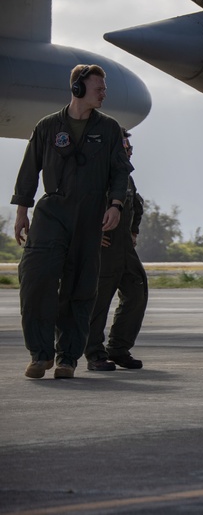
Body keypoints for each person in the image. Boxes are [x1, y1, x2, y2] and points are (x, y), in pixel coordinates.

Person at [12, 64, 132, 379]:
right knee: (36, 281)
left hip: (90, 215)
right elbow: (29, 169)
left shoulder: (109, 129)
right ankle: (40, 355)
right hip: (52, 213)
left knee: (80, 290)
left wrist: (116, 204)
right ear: (78, 88)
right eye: (99, 88)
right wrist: (22, 210)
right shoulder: (48, 126)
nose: (104, 93)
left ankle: (67, 359)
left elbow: (120, 171)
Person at [86, 130, 149, 371]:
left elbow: (136, 204)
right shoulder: (96, 175)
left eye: (130, 147)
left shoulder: (125, 177)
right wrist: (92, 233)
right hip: (104, 248)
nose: (130, 151)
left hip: (124, 247)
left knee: (137, 291)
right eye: (126, 148)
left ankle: (119, 348)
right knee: (98, 301)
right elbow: (78, 206)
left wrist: (134, 230)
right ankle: (94, 353)